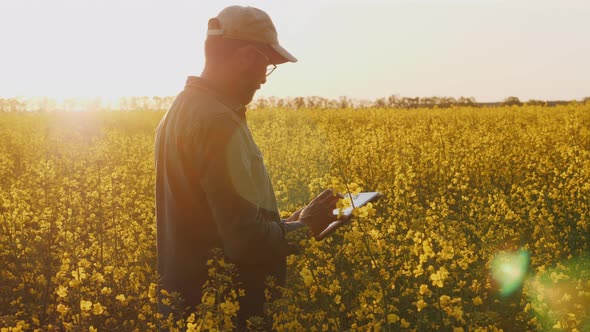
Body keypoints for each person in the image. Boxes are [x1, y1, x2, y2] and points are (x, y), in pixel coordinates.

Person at [154, 5, 345, 329]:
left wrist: (289, 222)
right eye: (267, 66)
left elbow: (214, 224)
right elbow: (245, 242)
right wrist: (306, 229)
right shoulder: (217, 122)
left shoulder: (179, 110)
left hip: (189, 312)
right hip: (226, 313)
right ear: (246, 56)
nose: (263, 80)